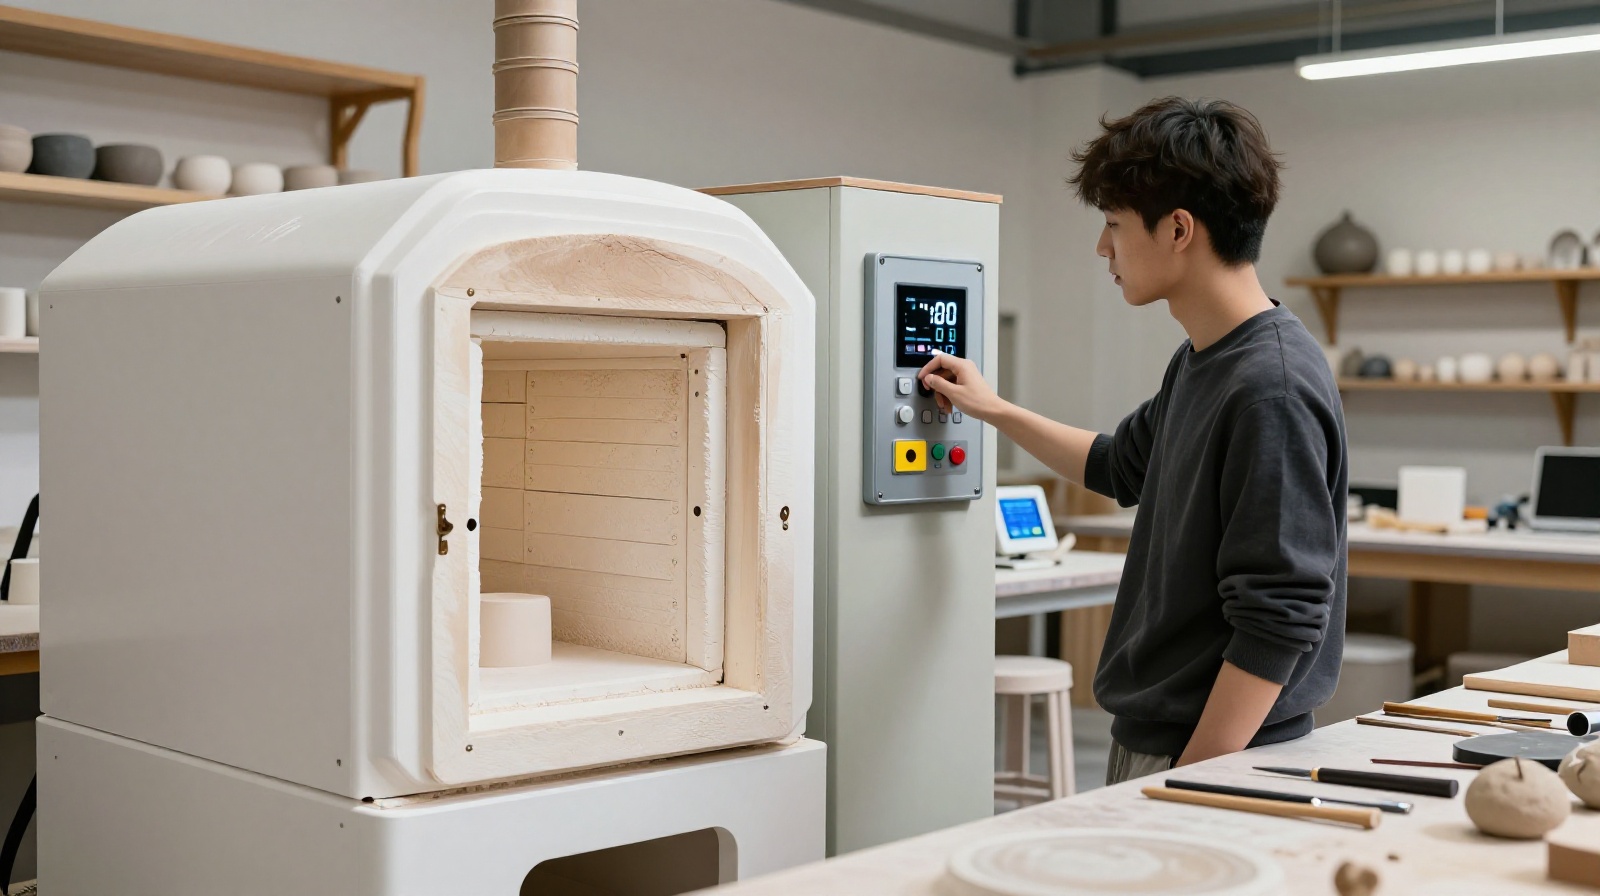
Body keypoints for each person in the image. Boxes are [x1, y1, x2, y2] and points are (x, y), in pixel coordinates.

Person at [920, 96, 1347, 785]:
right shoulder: (1204, 359)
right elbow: (1120, 464)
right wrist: (990, 408)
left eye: (1114, 224)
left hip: (1218, 754)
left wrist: (1191, 784)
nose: (1102, 248)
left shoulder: (1270, 387)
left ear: (1178, 229)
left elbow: (1278, 620)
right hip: (1171, 742)